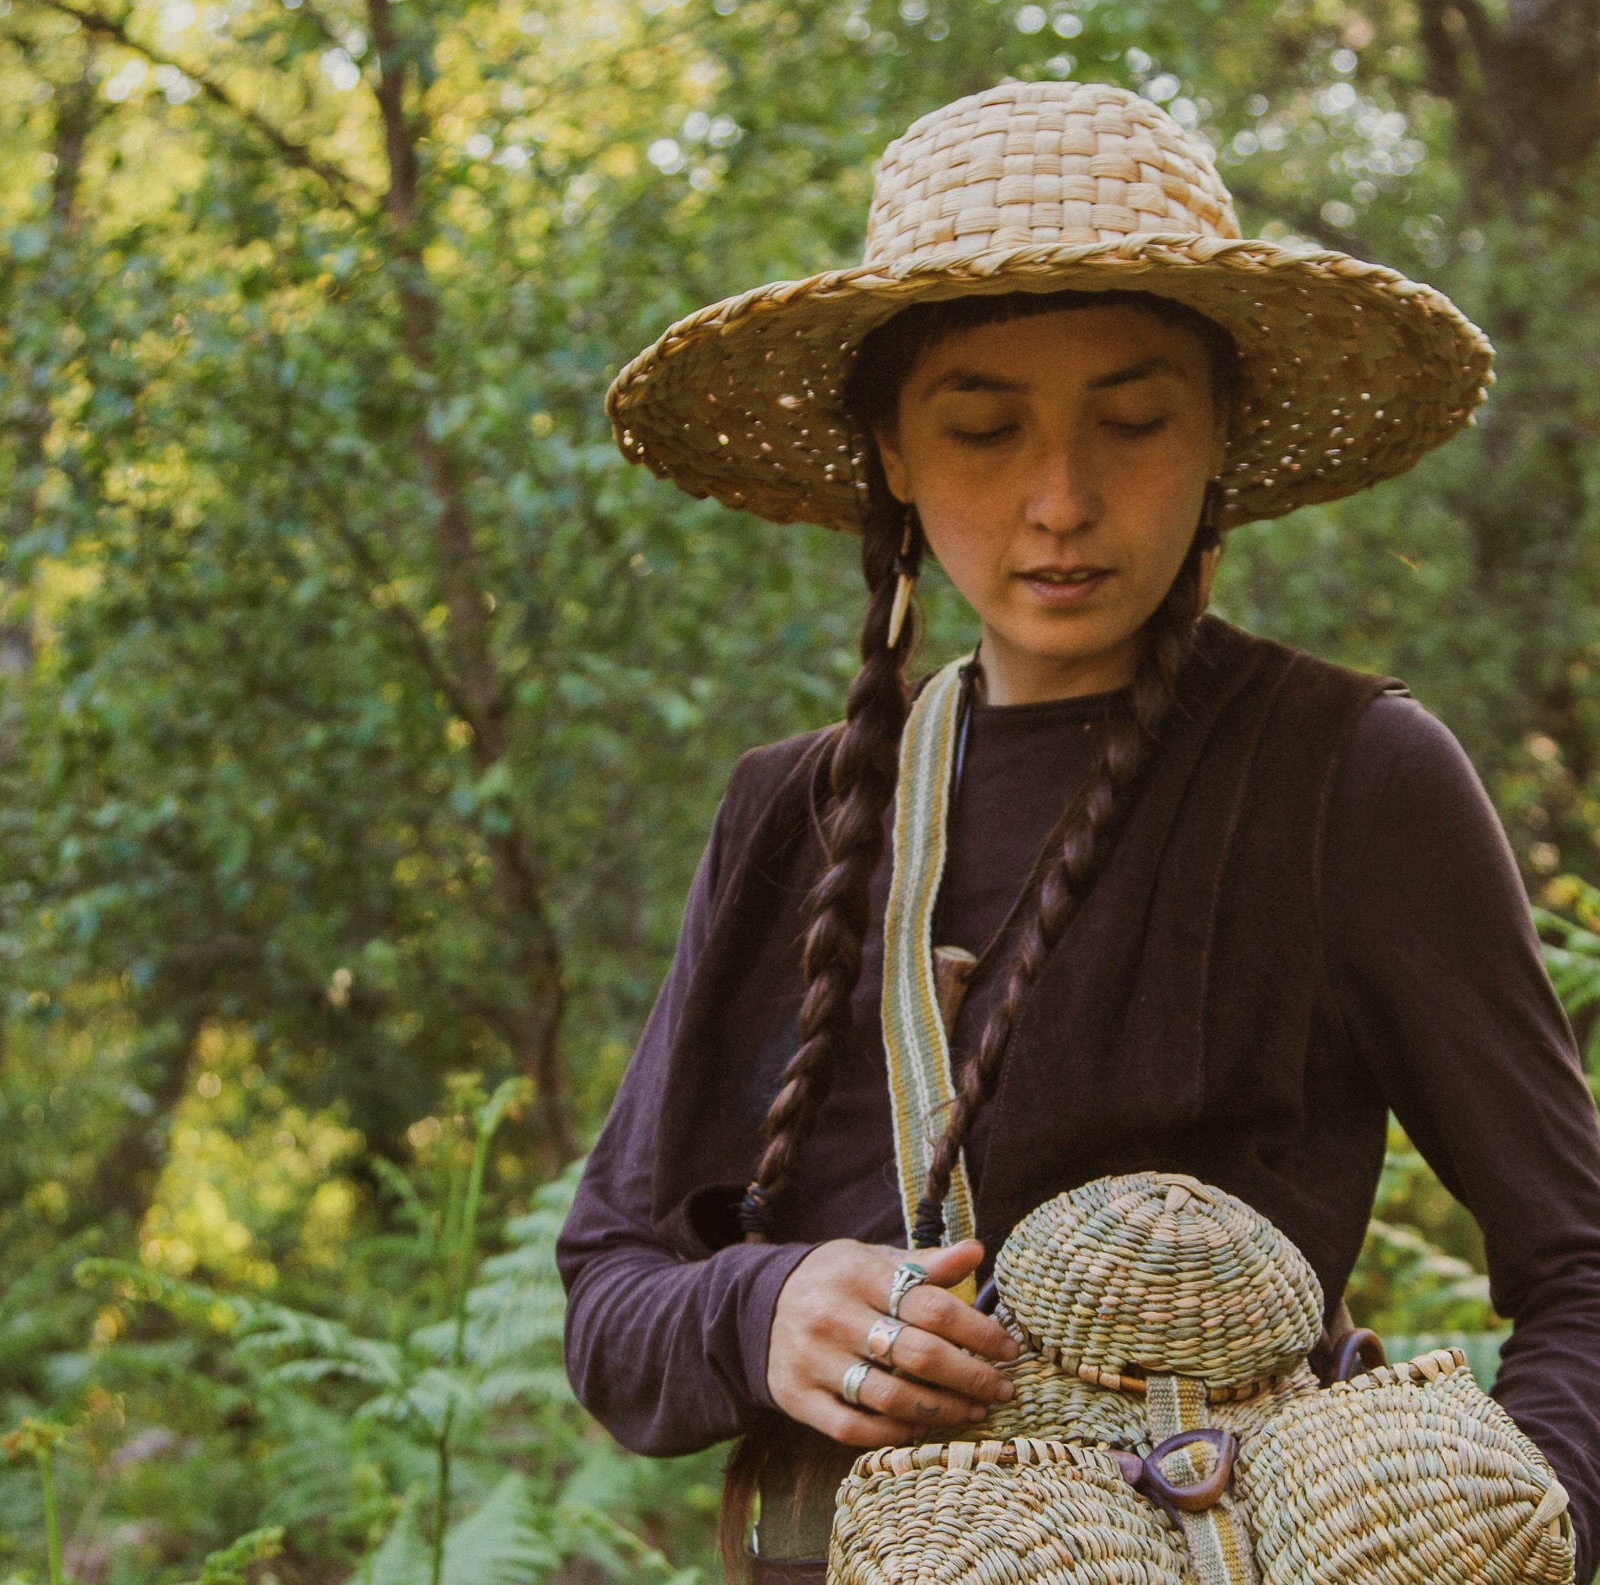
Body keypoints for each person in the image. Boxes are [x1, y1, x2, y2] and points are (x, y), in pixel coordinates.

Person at [558, 80, 1600, 1583]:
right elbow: (611, 1297)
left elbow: (1578, 1262)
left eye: (1133, 418)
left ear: (1220, 432)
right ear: (892, 456)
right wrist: (768, 1308)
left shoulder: (1352, 776)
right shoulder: (789, 814)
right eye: (983, 427)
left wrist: (1527, 1523)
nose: (1061, 498)